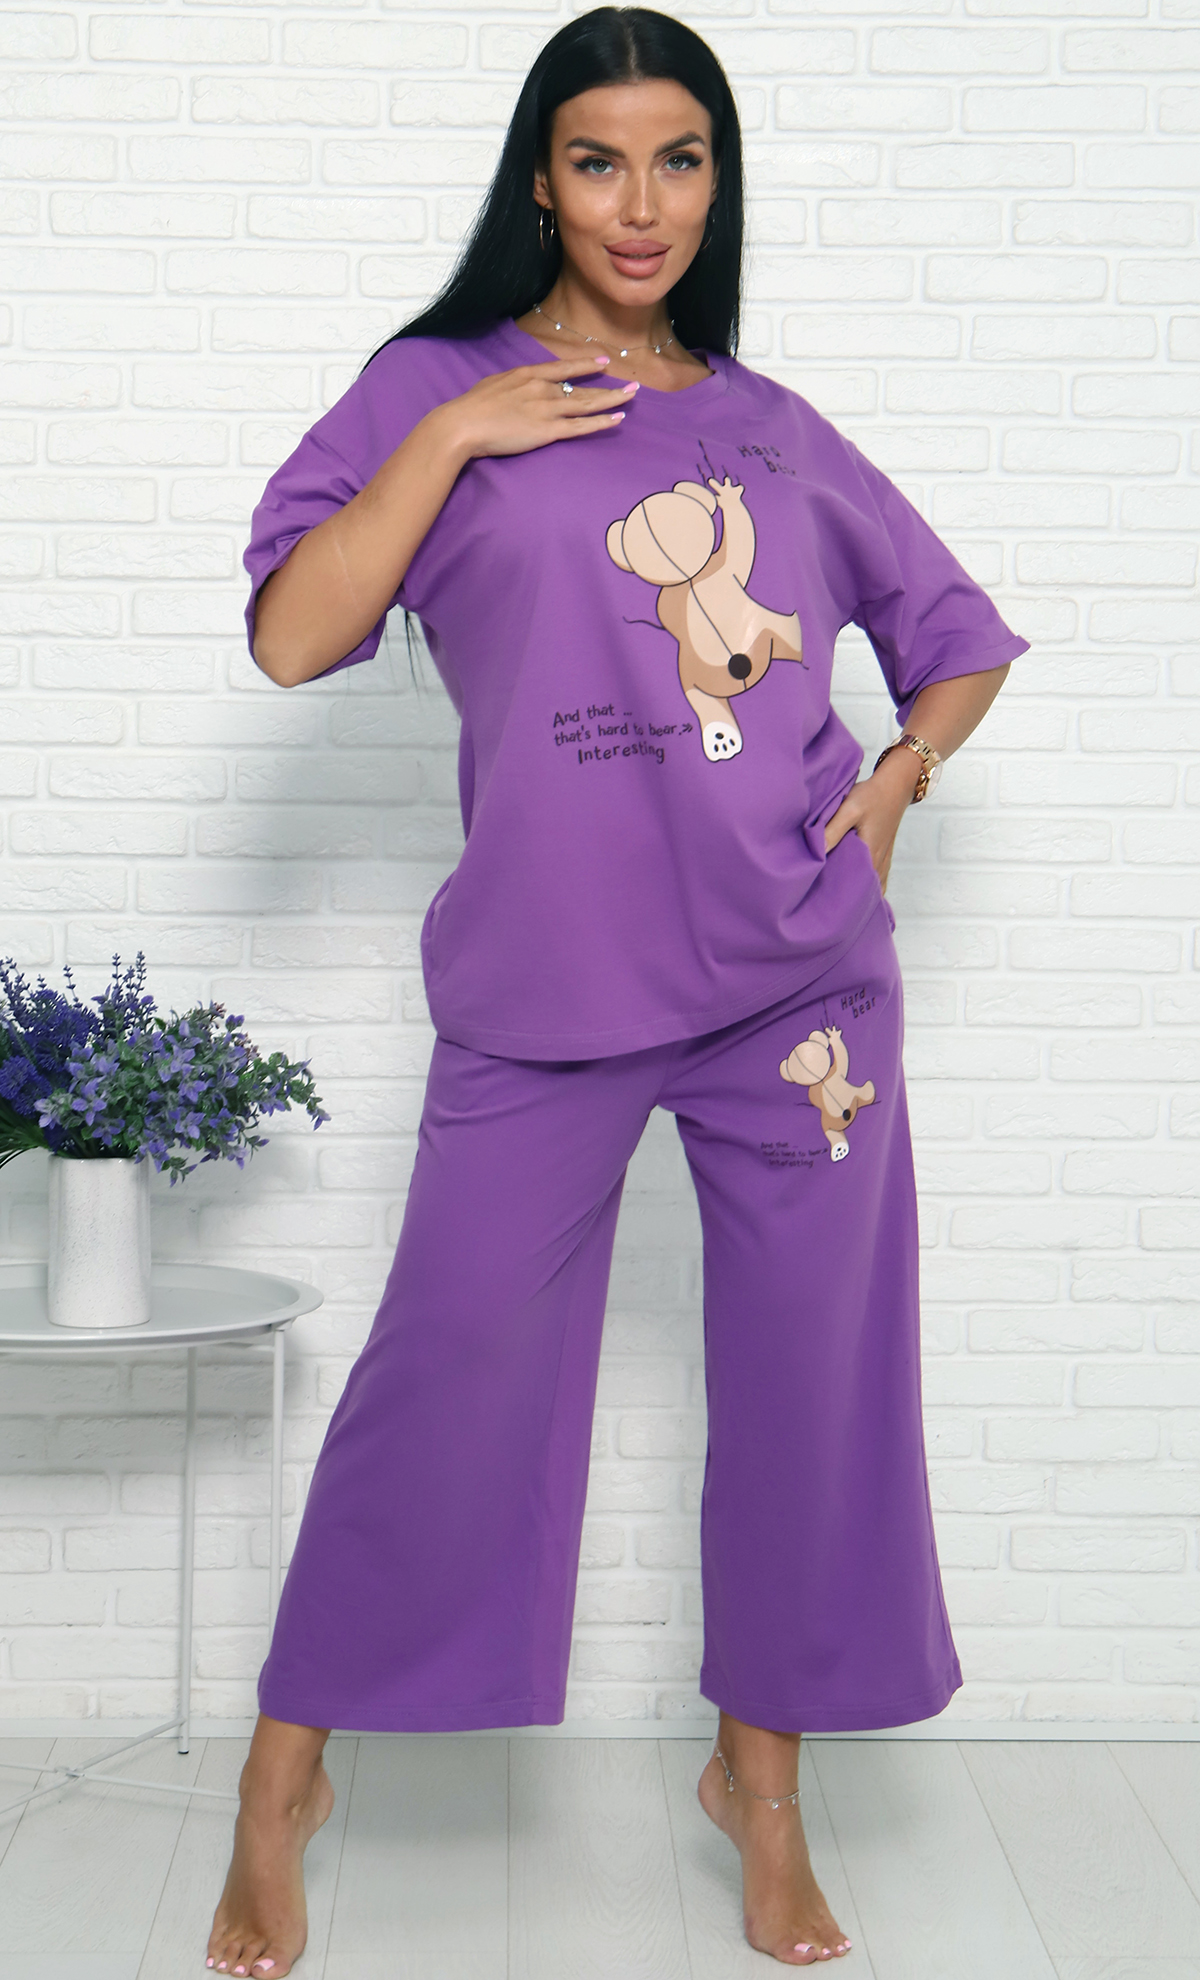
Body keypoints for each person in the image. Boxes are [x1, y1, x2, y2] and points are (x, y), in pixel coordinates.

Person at [206, 8, 1030, 1973]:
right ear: (542, 182)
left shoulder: (774, 425)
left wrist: (902, 776)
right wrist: (454, 438)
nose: (641, 203)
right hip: (543, 990)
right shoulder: (433, 385)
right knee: (449, 1373)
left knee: (813, 1389)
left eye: (680, 159)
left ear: (716, 184)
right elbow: (294, 637)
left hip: (797, 989)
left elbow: (959, 636)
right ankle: (282, 1783)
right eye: (599, 160)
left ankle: (762, 1789)